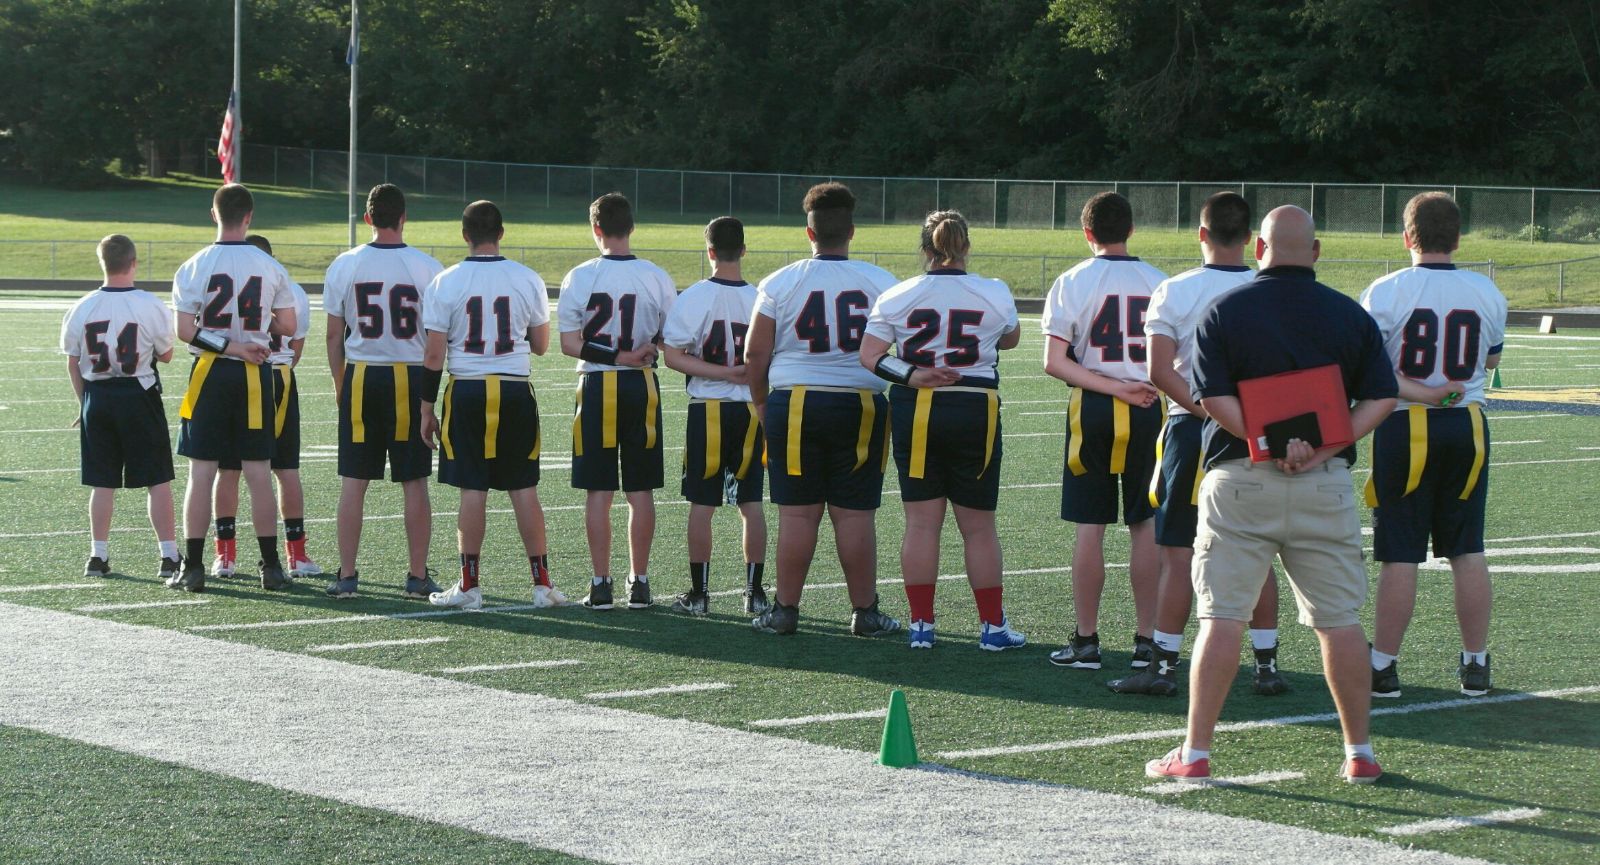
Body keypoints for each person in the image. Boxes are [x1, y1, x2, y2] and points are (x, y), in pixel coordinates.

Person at [1146, 205, 1398, 785]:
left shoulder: (1224, 309)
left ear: (1259, 249)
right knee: (1339, 622)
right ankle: (1359, 752)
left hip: (1241, 478)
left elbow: (1211, 398)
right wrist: (1325, 448)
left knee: (1221, 618)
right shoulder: (1349, 313)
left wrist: (1266, 444)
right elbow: (1382, 397)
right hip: (1323, 484)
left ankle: (1196, 752)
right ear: (1316, 251)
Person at [1108, 192, 1289, 697]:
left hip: (1192, 429)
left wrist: (1209, 412)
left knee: (1178, 552)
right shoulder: (1266, 289)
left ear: (1202, 234)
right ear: (1251, 239)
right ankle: (1267, 666)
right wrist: (1243, 419)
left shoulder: (1176, 289)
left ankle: (1163, 666)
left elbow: (1158, 370)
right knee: (1257, 550)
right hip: (1256, 431)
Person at [1360, 192, 1508, 698]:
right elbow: (1490, 361)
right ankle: (1476, 663)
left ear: (1407, 237)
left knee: (1401, 553)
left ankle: (1383, 667)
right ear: (1458, 238)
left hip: (1406, 426)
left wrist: (1420, 386)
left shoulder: (1385, 291)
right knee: (1467, 549)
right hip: (1467, 424)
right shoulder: (1485, 290)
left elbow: (1369, 371)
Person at [859, 210, 1025, 651]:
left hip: (917, 407)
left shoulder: (899, 294)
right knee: (979, 527)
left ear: (925, 247)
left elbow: (871, 355)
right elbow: (1010, 339)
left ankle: (922, 627)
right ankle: (992, 629)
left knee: (920, 523)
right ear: (965, 245)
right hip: (975, 405)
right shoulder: (994, 290)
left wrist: (913, 373)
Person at [745, 182, 901, 637]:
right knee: (854, 513)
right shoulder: (882, 282)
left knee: (797, 513)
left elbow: (755, 353)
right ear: (851, 231)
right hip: (861, 403)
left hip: (795, 402)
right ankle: (865, 612)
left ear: (809, 233)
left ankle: (785, 611)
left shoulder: (780, 281)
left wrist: (760, 402)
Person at [1041, 192, 1165, 670]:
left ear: (1086, 232)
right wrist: (1133, 388)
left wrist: (1112, 387)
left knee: (1090, 527)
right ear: (1130, 230)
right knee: (1145, 525)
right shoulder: (1160, 281)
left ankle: (1087, 642)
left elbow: (1055, 362)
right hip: (1148, 405)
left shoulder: (1073, 280)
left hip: (1092, 407)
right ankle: (1147, 642)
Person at [419, 201, 553, 612]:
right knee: (523, 488)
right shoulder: (527, 278)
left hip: (467, 390)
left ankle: (470, 585)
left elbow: (433, 356)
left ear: (465, 235)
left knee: (473, 489)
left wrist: (425, 408)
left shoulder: (445, 281)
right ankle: (542, 585)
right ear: (502, 233)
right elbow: (541, 345)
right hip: (514, 389)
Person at [321, 184, 450, 601]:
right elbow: (437, 339)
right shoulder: (428, 268)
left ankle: (347, 575)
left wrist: (341, 384)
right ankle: (416, 576)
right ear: (404, 217)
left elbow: (333, 336)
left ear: (367, 219)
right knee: (414, 481)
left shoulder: (345, 264)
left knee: (354, 482)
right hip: (411, 378)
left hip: (362, 376)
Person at [169, 183, 298, 593]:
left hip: (210, 372)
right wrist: (255, 325)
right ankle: (271, 566)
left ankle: (193, 566)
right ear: (249, 217)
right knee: (258, 473)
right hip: (255, 374)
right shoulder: (269, 265)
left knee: (201, 473)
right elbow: (289, 325)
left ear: (214, 214)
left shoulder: (194, 265)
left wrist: (228, 344)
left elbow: (184, 331)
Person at [557, 193, 677, 610]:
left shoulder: (580, 276)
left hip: (596, 385)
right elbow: (672, 337)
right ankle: (639, 583)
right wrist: (641, 350)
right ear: (632, 227)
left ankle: (601, 583)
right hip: (641, 386)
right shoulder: (656, 276)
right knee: (640, 488)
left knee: (599, 489)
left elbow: (569, 344)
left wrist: (615, 355)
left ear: (596, 229)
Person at [660, 217, 769, 616]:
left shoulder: (694, 296)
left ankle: (699, 594)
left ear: (709, 251)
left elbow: (673, 356)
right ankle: (755, 593)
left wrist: (721, 373)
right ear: (744, 250)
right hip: (751, 409)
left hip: (707, 408)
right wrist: (740, 375)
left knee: (702, 503)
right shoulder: (761, 298)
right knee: (751, 502)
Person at [61, 234, 180, 581]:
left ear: (102, 263)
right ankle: (169, 556)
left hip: (97, 397)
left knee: (102, 482)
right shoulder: (149, 304)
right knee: (157, 478)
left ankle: (97, 555)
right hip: (138, 394)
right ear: (133, 263)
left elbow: (72, 362)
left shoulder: (81, 307)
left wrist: (83, 403)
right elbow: (167, 355)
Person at [209, 233, 320, 582]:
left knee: (229, 468)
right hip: (279, 377)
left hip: (238, 377)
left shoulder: (229, 284)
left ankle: (225, 555)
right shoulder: (292, 289)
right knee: (285, 468)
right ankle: (296, 555)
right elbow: (296, 347)